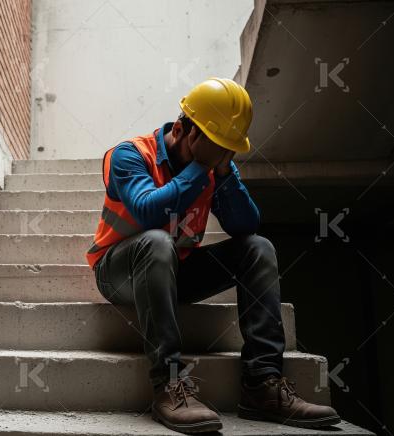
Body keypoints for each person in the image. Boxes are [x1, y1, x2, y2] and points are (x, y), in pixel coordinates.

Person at [86, 78, 340, 433]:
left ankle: (261, 383)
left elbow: (245, 225)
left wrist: (223, 174)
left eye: (227, 150)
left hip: (175, 271)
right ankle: (169, 384)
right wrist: (198, 170)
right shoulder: (130, 154)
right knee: (157, 241)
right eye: (214, 147)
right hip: (119, 273)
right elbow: (146, 212)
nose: (219, 156)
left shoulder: (213, 167)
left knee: (258, 248)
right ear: (180, 129)